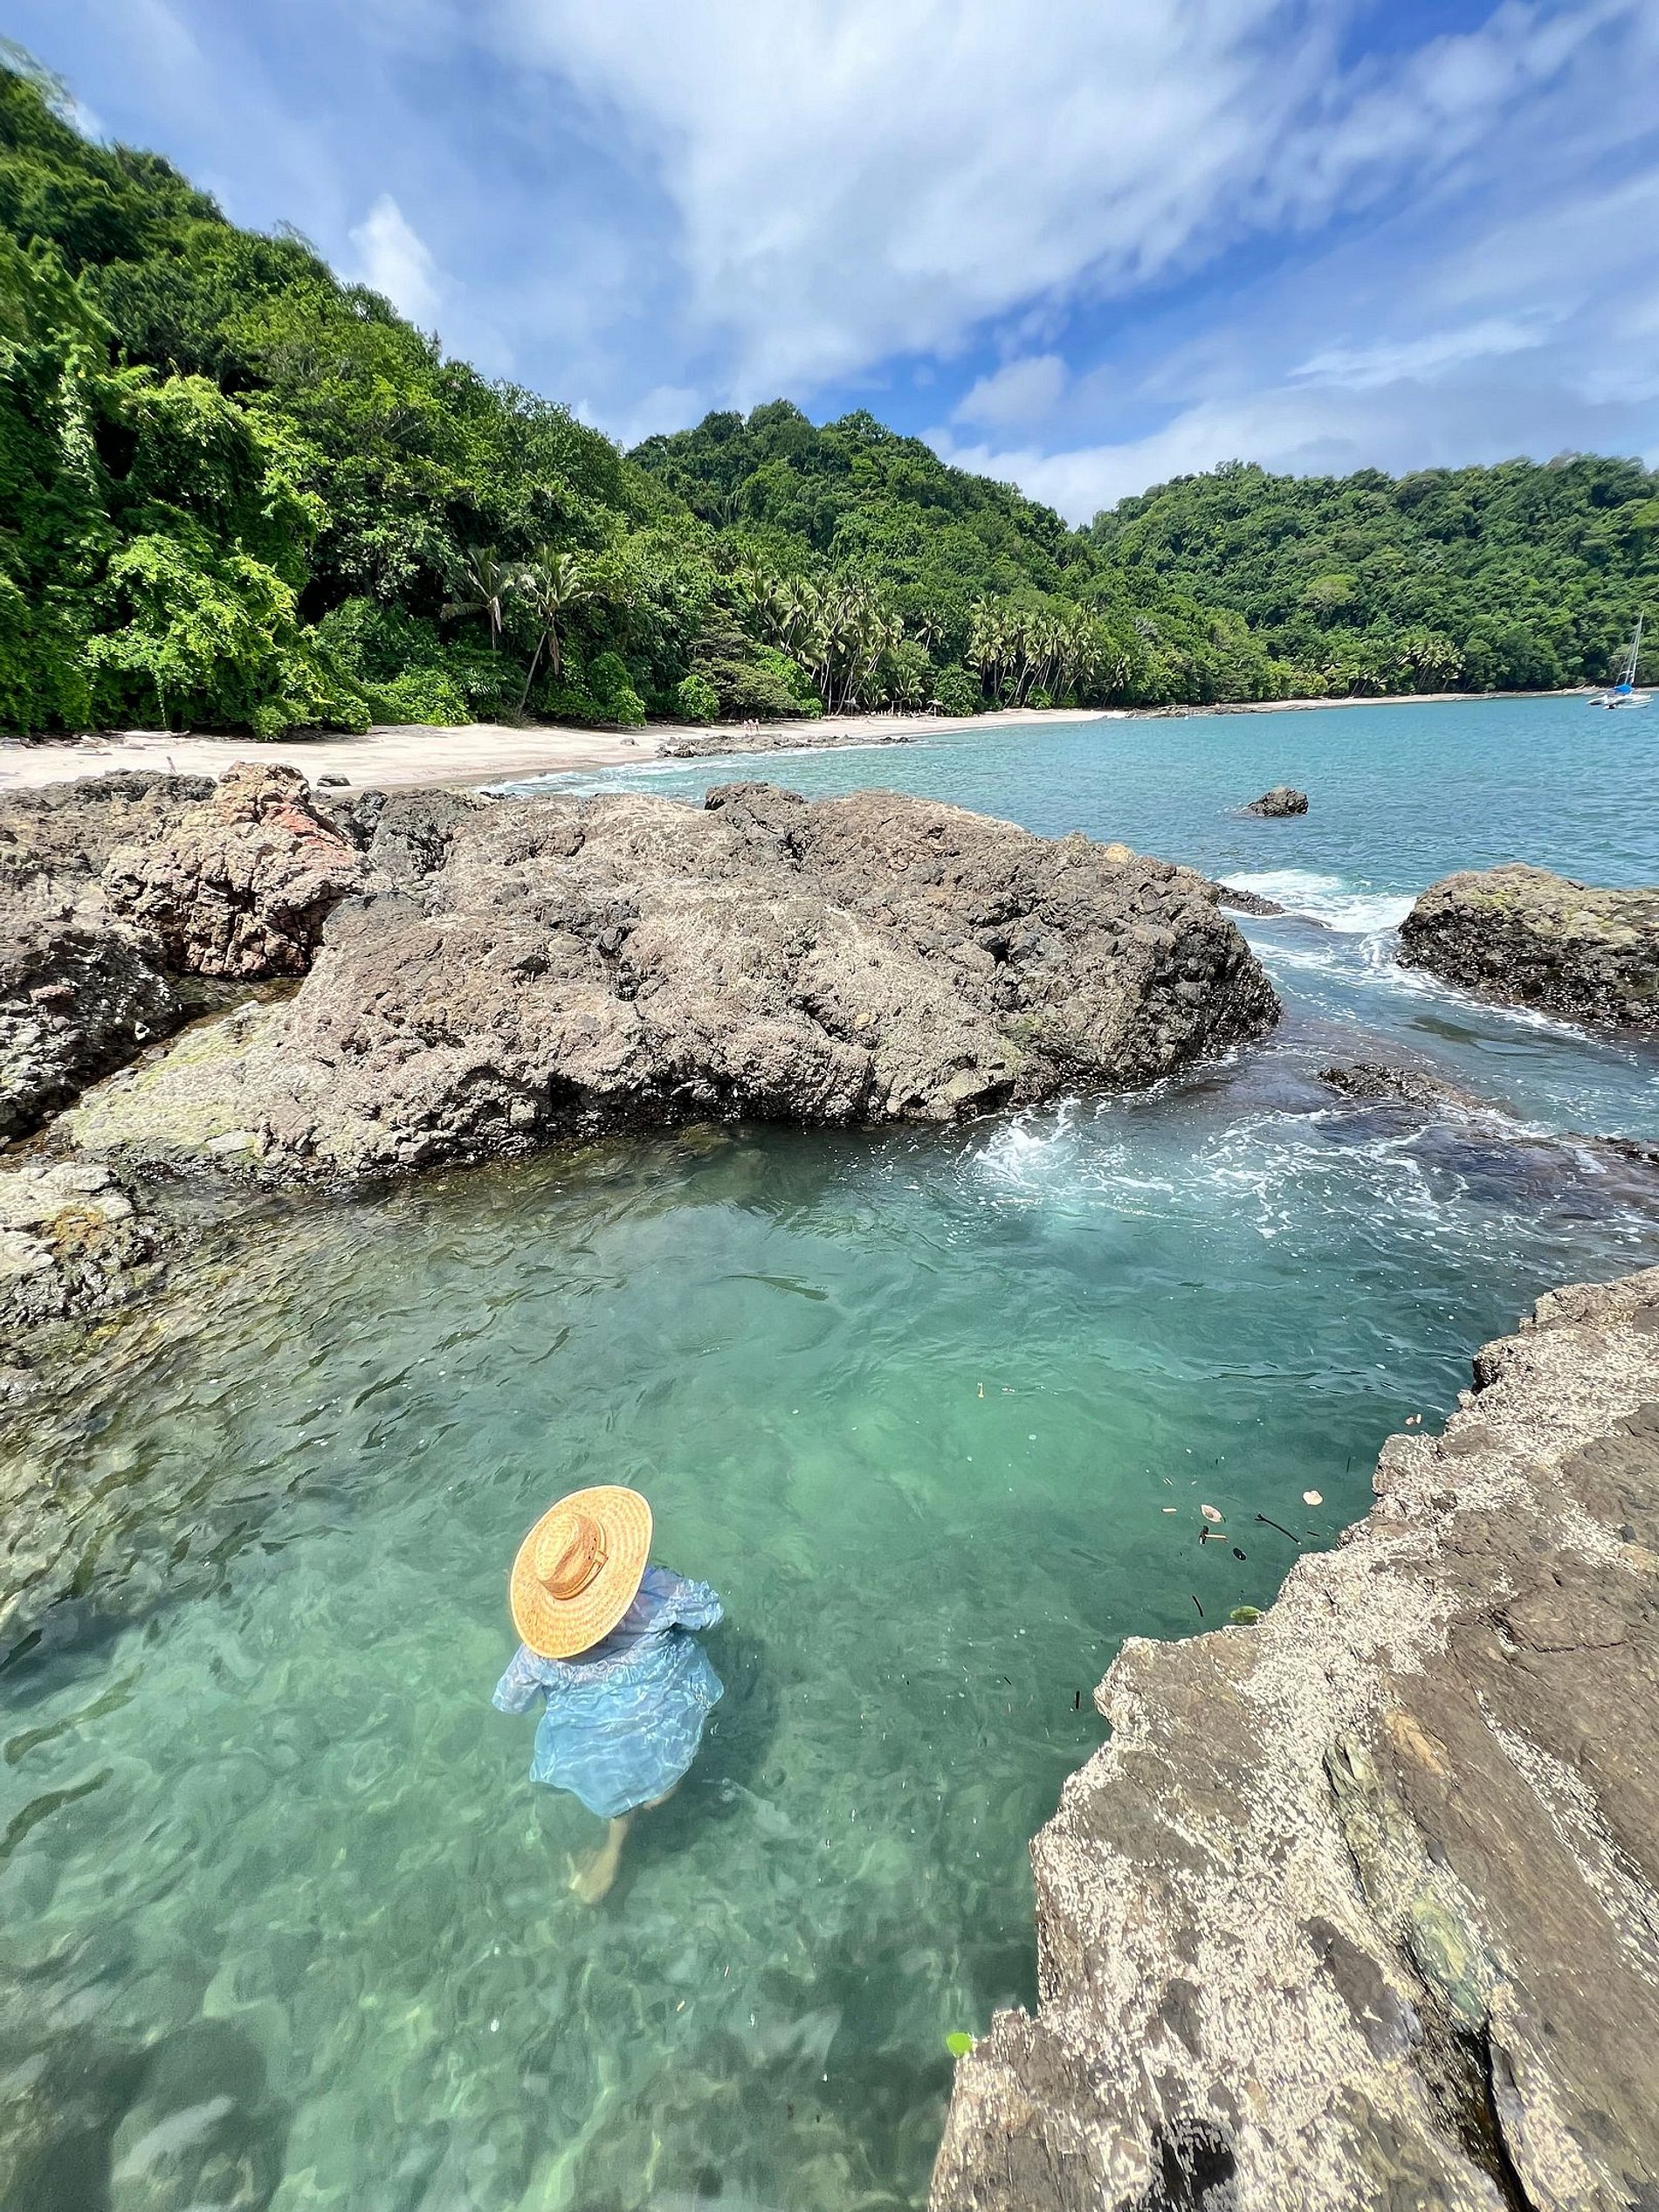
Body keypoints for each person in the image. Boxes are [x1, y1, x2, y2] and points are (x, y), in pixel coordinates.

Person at [492, 1485, 724, 1903]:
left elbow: (510, 1702)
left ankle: (613, 1849)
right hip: (671, 1740)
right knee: (674, 1677)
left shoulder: (539, 1653)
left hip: (595, 1767)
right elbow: (711, 1612)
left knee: (604, 1750)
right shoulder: (654, 1592)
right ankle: (655, 1800)